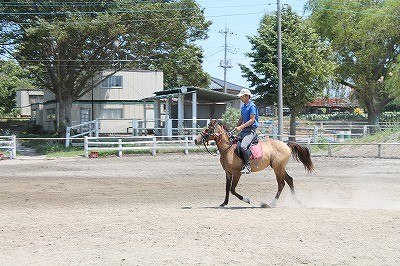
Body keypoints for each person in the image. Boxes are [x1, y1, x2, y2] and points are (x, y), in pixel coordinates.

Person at [234, 88, 259, 174]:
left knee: (243, 146)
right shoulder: (243, 106)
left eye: (242, 96)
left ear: (247, 96)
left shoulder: (252, 106)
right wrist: (236, 127)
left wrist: (241, 127)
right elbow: (241, 118)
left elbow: (252, 120)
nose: (240, 98)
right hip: (244, 130)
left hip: (250, 131)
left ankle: (247, 166)